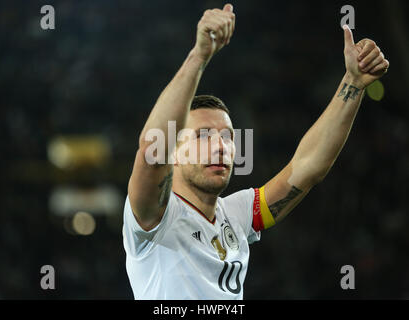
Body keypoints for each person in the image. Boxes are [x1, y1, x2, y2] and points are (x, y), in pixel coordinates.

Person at [122, 3, 389, 299]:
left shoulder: (236, 214)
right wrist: (199, 56)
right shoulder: (154, 217)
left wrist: (353, 82)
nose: (220, 146)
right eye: (203, 136)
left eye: (227, 137)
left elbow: (308, 167)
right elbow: (151, 149)